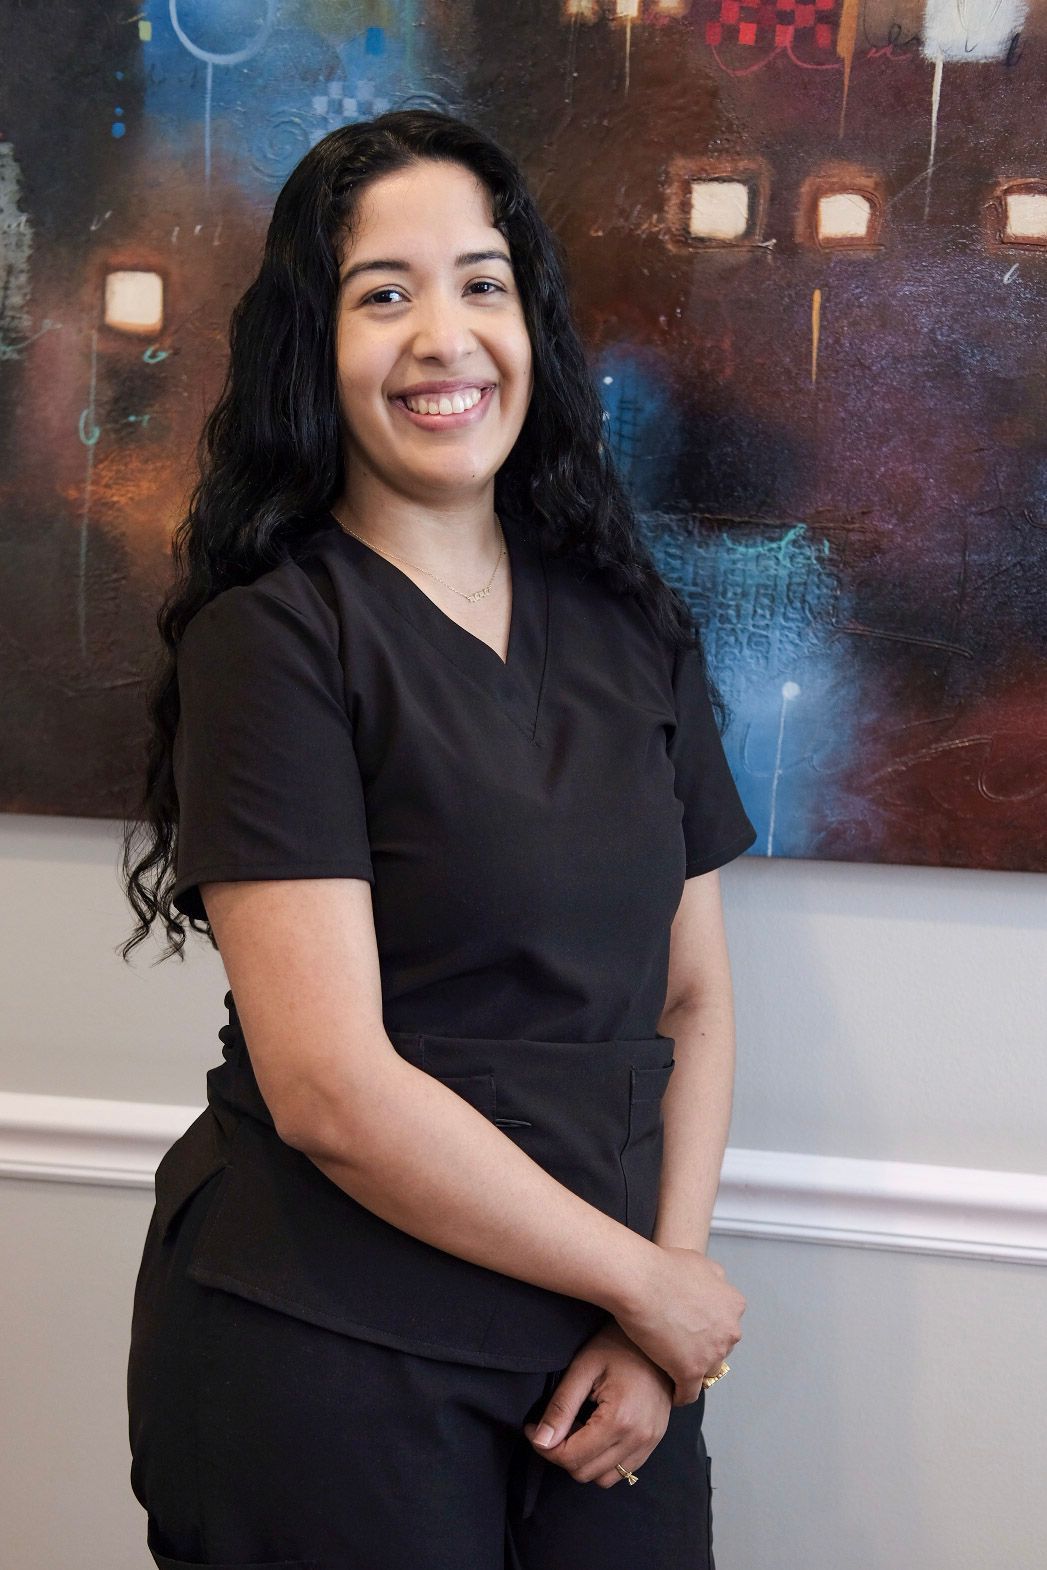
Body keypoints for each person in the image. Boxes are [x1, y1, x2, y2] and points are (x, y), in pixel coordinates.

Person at [120, 108, 756, 1570]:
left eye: (481, 282)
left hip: (611, 1349)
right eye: (382, 293)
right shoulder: (271, 641)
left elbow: (694, 996)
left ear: (531, 319)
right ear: (313, 348)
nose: (444, 337)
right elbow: (333, 1087)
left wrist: (651, 1313)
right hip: (328, 1348)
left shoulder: (635, 628)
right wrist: (656, 1287)